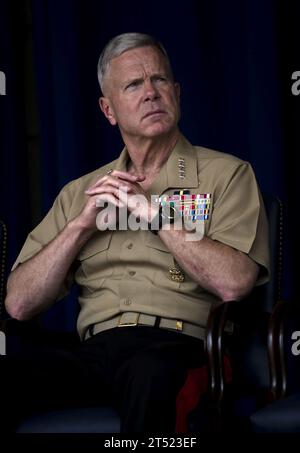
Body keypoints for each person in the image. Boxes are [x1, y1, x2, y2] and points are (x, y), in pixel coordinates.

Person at [2, 32, 270, 433]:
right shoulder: (81, 192)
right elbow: (19, 304)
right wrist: (79, 227)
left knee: (150, 377)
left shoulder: (227, 174)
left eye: (159, 80)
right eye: (134, 85)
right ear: (109, 110)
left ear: (177, 93)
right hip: (93, 354)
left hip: (180, 348)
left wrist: (154, 213)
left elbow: (235, 284)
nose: (151, 93)